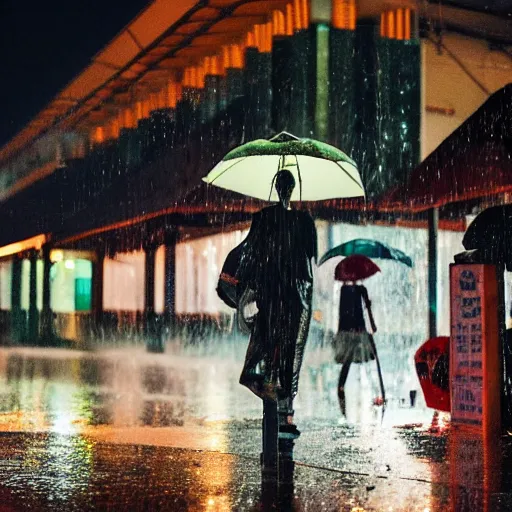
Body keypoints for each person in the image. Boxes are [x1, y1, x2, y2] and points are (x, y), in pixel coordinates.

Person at [238, 168, 317, 437]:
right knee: (287, 351)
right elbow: (311, 259)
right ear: (291, 189)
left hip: (274, 295)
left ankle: (276, 406)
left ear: (277, 188)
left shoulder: (264, 218)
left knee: (274, 347)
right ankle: (283, 411)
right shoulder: (302, 220)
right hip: (292, 297)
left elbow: (252, 257)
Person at [333, 280, 379, 416]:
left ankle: (343, 403)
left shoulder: (345, 289)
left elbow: (342, 313)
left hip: (347, 330)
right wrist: (372, 323)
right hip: (356, 331)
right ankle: (375, 396)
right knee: (365, 363)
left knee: (350, 365)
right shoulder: (360, 289)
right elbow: (367, 310)